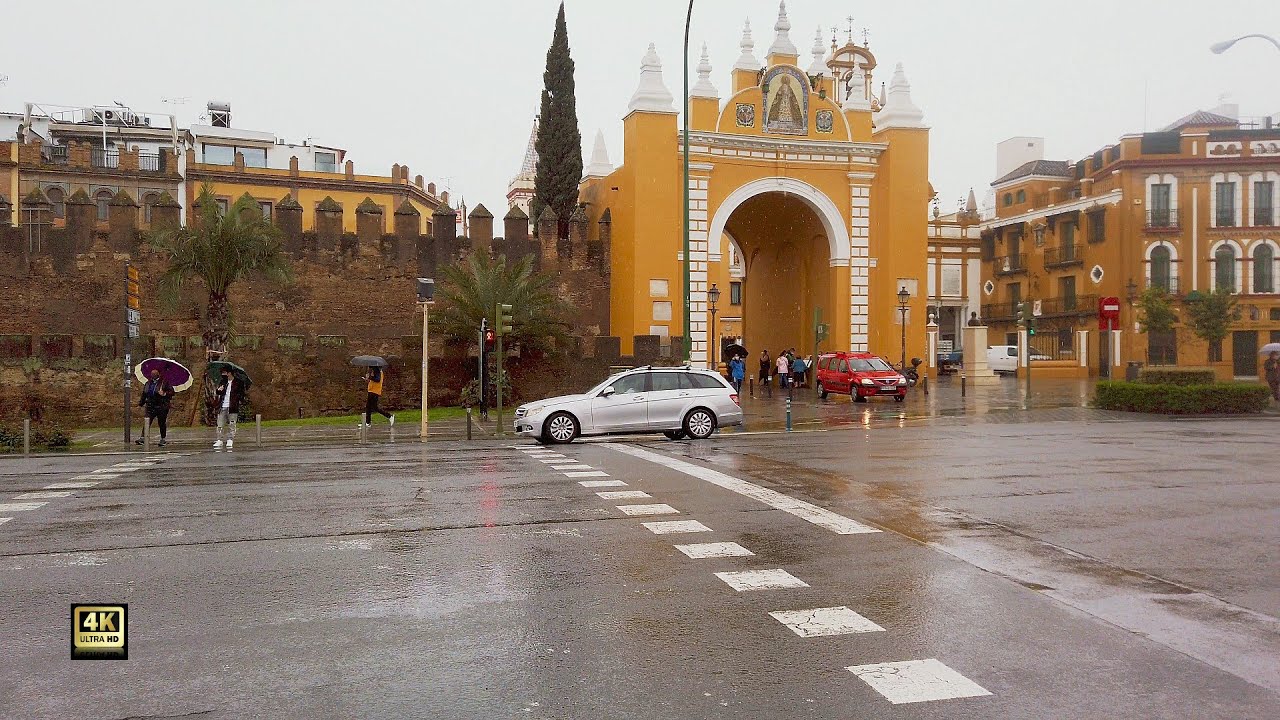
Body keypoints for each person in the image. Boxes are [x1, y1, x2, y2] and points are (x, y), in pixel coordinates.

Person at [136, 368, 173, 446]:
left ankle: (163, 439)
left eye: (155, 374)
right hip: (150, 405)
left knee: (161, 422)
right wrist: (140, 404)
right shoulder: (148, 383)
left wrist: (164, 394)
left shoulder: (164, 383)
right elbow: (144, 394)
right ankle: (143, 438)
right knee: (147, 421)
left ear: (158, 375)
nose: (153, 375)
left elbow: (172, 392)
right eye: (152, 374)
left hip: (161, 406)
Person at [214, 367, 244, 451]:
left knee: (232, 424)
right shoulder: (223, 382)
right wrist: (219, 390)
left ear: (229, 373)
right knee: (220, 424)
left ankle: (230, 439)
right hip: (222, 406)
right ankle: (219, 440)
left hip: (233, 407)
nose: (223, 374)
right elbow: (218, 392)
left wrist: (237, 399)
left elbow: (242, 394)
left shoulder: (238, 382)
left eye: (225, 372)